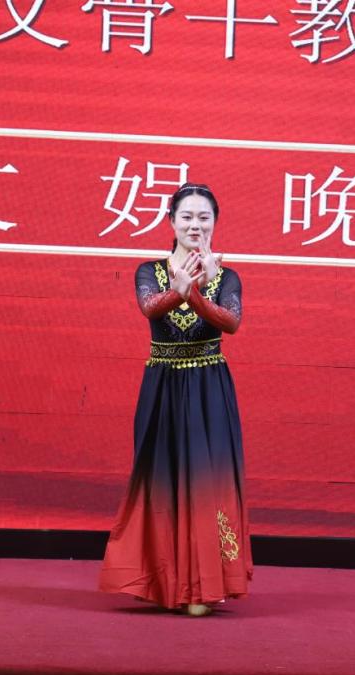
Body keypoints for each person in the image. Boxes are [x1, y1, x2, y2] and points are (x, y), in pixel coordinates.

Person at [98, 182, 251, 617]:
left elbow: (231, 323)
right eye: (187, 217)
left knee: (206, 482)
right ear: (171, 222)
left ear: (215, 223)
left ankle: (203, 586)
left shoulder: (227, 277)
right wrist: (180, 289)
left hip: (208, 387)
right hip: (162, 386)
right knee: (161, 478)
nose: (195, 225)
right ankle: (164, 582)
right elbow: (150, 308)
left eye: (204, 218)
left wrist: (195, 292)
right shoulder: (149, 270)